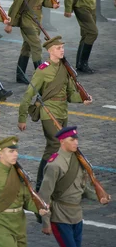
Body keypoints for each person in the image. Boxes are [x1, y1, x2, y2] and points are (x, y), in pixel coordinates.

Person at [17, 36, 92, 191]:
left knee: (62, 149)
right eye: (58, 48)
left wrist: (83, 99)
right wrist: (22, 118)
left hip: (62, 111)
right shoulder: (43, 70)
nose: (62, 50)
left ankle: (60, 182)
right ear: (51, 51)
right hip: (48, 112)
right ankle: (40, 184)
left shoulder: (65, 69)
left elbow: (71, 94)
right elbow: (28, 94)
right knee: (53, 145)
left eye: (63, 47)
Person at [39, 126, 109, 247]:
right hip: (60, 216)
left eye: (76, 139)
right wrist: (46, 222)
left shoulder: (78, 159)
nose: (76, 142)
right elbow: (44, 195)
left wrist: (99, 197)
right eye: (72, 140)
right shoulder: (55, 164)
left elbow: (81, 187)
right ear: (62, 141)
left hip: (76, 215)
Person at [5, 0, 58, 83]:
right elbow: (16, 4)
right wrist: (10, 23)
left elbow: (44, 0)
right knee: (36, 46)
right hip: (27, 18)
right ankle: (40, 77)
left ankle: (20, 74)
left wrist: (52, 4)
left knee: (27, 47)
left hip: (37, 18)